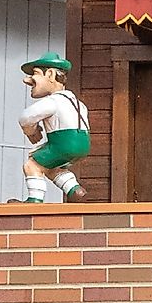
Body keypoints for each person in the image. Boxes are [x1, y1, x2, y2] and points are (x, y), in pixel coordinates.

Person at [17, 53, 92, 202]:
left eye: (35, 73)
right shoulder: (77, 103)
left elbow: (25, 117)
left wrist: (31, 130)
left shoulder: (53, 101)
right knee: (51, 167)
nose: (27, 79)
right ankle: (75, 190)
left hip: (64, 143)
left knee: (32, 165)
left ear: (50, 74)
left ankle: (34, 200)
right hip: (83, 144)